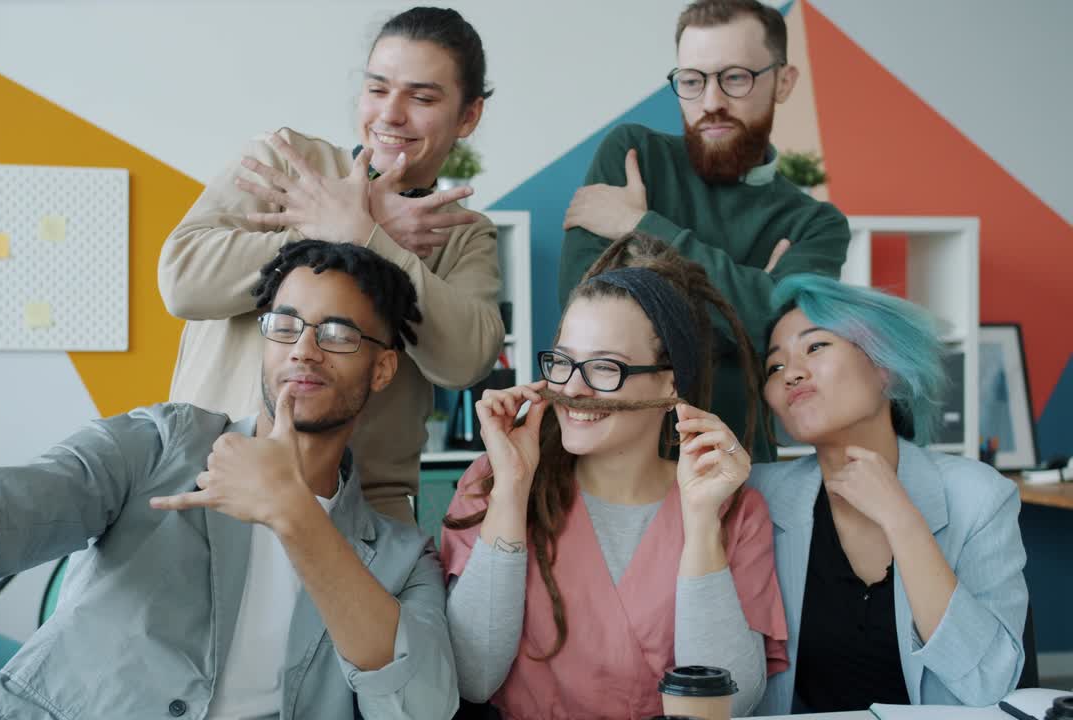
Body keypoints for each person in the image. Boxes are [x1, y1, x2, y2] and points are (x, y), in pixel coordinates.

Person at [0, 241, 458, 720]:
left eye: (338, 333)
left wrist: (295, 513)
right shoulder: (163, 441)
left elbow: (420, 705)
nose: (303, 349)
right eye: (284, 326)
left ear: (381, 371)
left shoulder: (397, 555)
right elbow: (4, 519)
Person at [159, 6, 504, 523]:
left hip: (361, 515)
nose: (391, 113)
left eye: (423, 97)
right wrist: (324, 229)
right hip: (208, 481)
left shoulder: (462, 234)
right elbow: (183, 281)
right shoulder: (284, 160)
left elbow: (466, 359)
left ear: (469, 115)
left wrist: (369, 236)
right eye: (377, 88)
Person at [440, 232, 788, 718]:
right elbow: (473, 678)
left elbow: (730, 701)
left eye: (605, 368)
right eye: (563, 362)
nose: (574, 388)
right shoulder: (493, 482)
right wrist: (512, 492)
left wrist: (702, 522)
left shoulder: (735, 510)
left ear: (670, 381)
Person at [558, 0, 851, 462]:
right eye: (692, 81)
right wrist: (748, 303)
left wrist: (640, 229)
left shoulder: (817, 224)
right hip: (615, 468)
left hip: (738, 473)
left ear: (784, 81)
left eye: (736, 78)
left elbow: (780, 343)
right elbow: (586, 323)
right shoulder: (634, 155)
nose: (711, 102)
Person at [749, 274, 1028, 714]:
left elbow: (988, 683)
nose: (792, 374)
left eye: (816, 346)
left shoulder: (979, 497)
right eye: (774, 367)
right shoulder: (756, 497)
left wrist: (902, 520)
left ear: (884, 366)